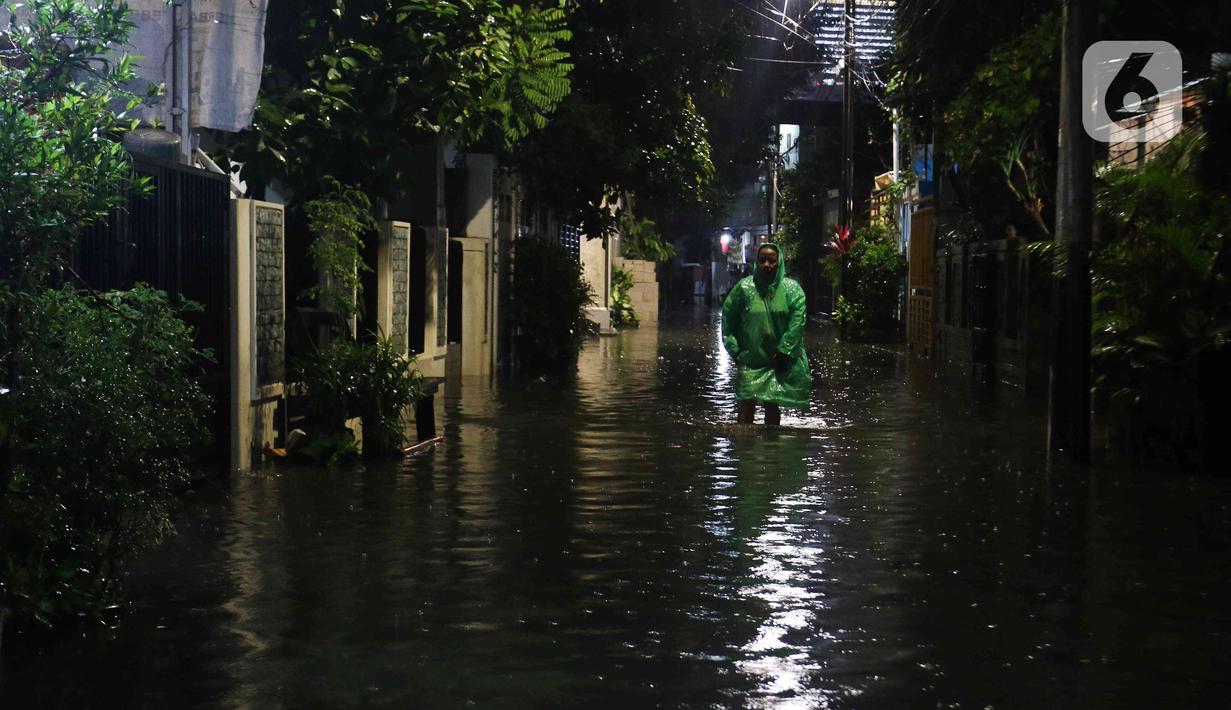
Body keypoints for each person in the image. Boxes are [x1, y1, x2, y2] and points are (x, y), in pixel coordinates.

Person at [720, 243, 811, 425]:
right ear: (756, 262)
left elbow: (797, 323)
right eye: (762, 260)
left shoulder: (792, 290)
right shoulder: (744, 288)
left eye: (771, 260)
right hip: (751, 359)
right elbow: (728, 319)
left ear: (779, 262)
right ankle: (743, 442)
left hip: (777, 359)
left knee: (772, 403)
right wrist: (735, 351)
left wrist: (785, 351)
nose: (766, 265)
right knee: (746, 403)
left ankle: (771, 441)